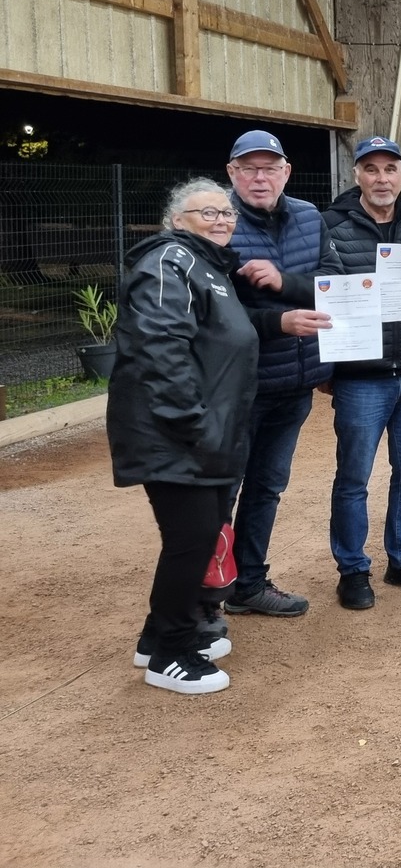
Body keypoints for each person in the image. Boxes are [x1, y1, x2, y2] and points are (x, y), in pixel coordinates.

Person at [110, 179, 326, 693]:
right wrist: (194, 425)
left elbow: (225, 327)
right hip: (175, 431)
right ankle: (172, 653)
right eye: (205, 212)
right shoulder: (168, 263)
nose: (221, 219)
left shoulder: (207, 266)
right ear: (176, 219)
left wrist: (278, 323)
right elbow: (161, 348)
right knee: (192, 540)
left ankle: (155, 636)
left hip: (204, 427)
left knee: (196, 537)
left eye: (225, 212)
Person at [321, 136, 401, 610]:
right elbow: (321, 297)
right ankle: (353, 569)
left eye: (390, 169)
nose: (381, 179)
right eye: (371, 169)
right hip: (361, 377)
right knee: (354, 476)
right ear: (357, 174)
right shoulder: (330, 227)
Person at [222, 129, 339, 619]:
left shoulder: (310, 218)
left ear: (286, 172)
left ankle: (248, 583)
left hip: (294, 384)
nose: (260, 177)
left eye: (270, 167)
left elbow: (336, 282)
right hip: (237, 388)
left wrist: (285, 282)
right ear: (232, 173)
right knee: (219, 493)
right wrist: (279, 320)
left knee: (267, 486)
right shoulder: (218, 223)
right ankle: (207, 594)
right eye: (249, 168)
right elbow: (211, 312)